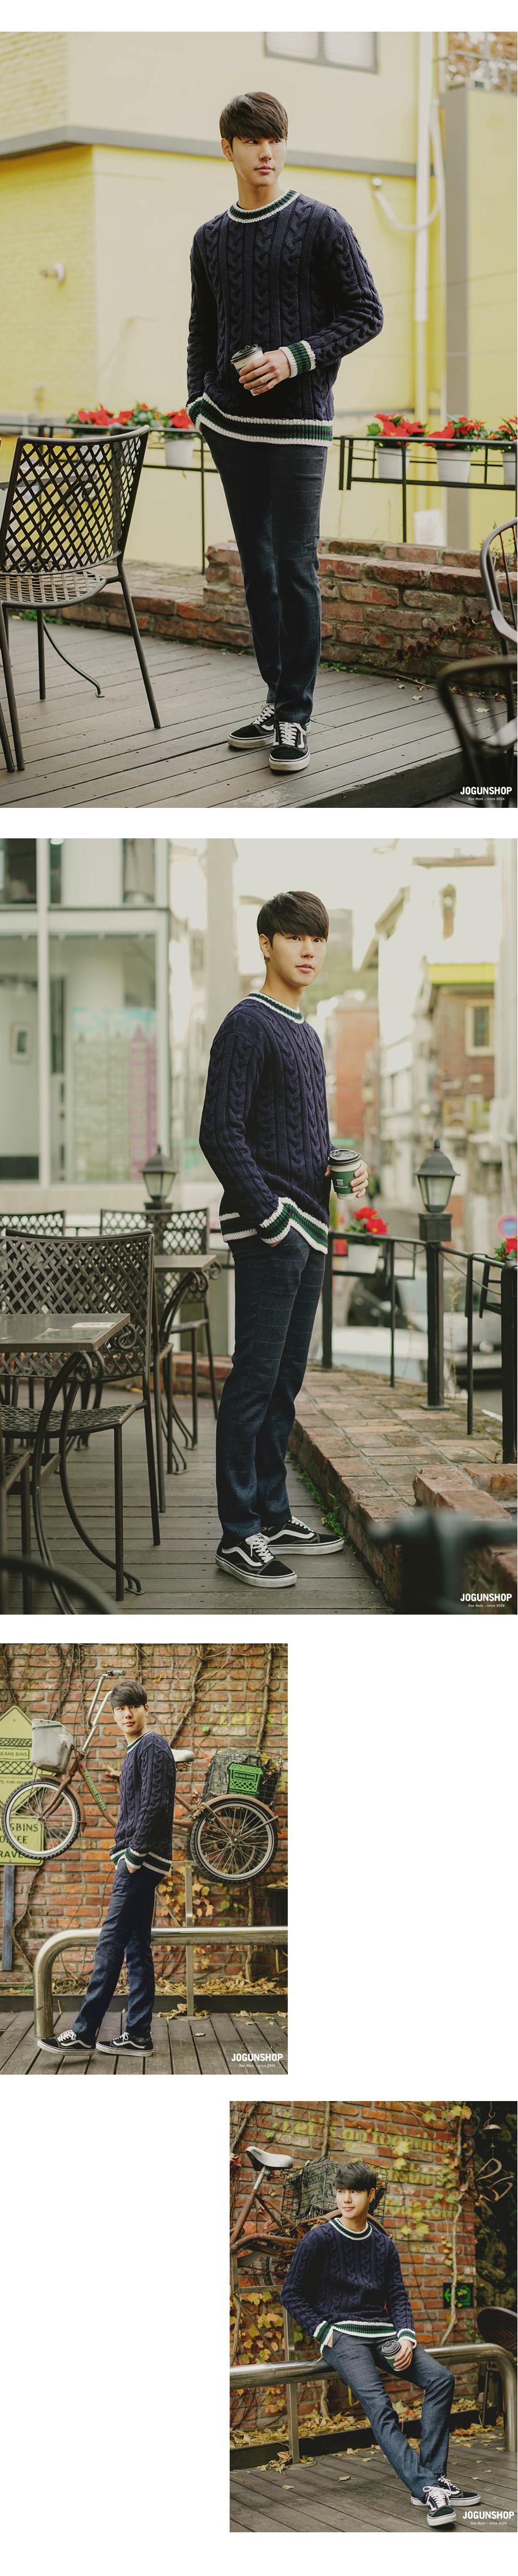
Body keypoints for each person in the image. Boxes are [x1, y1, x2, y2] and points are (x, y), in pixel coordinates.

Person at [186, 89, 383, 776]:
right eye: (251, 139)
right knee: (259, 570)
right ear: (228, 148)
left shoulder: (322, 224)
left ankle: (296, 713)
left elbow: (366, 313)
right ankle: (275, 698)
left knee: (296, 567)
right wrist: (198, 404)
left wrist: (294, 357)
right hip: (232, 428)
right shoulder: (209, 239)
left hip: (300, 425)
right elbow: (203, 329)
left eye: (274, 138)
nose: (265, 151)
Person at [199, 888, 368, 1588]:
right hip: (273, 1231)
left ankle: (271, 1513)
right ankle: (237, 1532)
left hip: (309, 1227)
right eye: (295, 937)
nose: (308, 949)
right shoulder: (247, 1024)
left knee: (284, 1382)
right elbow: (220, 1132)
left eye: (317, 939)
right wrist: (270, 1216)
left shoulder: (305, 1032)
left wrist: (339, 1163)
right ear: (266, 943)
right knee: (255, 1380)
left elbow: (297, 1131)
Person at [281, 2161, 482, 2531]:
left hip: (383, 2333)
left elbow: (397, 2296)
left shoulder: (383, 2244)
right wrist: (323, 2331)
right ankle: (426, 2489)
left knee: (441, 2380)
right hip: (342, 2336)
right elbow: (292, 2293)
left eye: (355, 2192)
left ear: (371, 2195)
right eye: (341, 2191)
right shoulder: (320, 2239)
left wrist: (406, 2334)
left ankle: (434, 2476)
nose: (346, 2199)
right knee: (380, 2405)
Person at [37, 1682, 176, 2058]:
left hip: (141, 1862)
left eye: (133, 1706)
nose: (126, 1714)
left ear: (145, 1708)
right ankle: (138, 2035)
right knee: (136, 1947)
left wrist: (134, 1854)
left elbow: (155, 1804)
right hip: (140, 1860)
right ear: (114, 1715)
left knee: (110, 1942)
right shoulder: (137, 1749)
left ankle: (84, 2032)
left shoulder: (151, 1745)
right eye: (119, 1709)